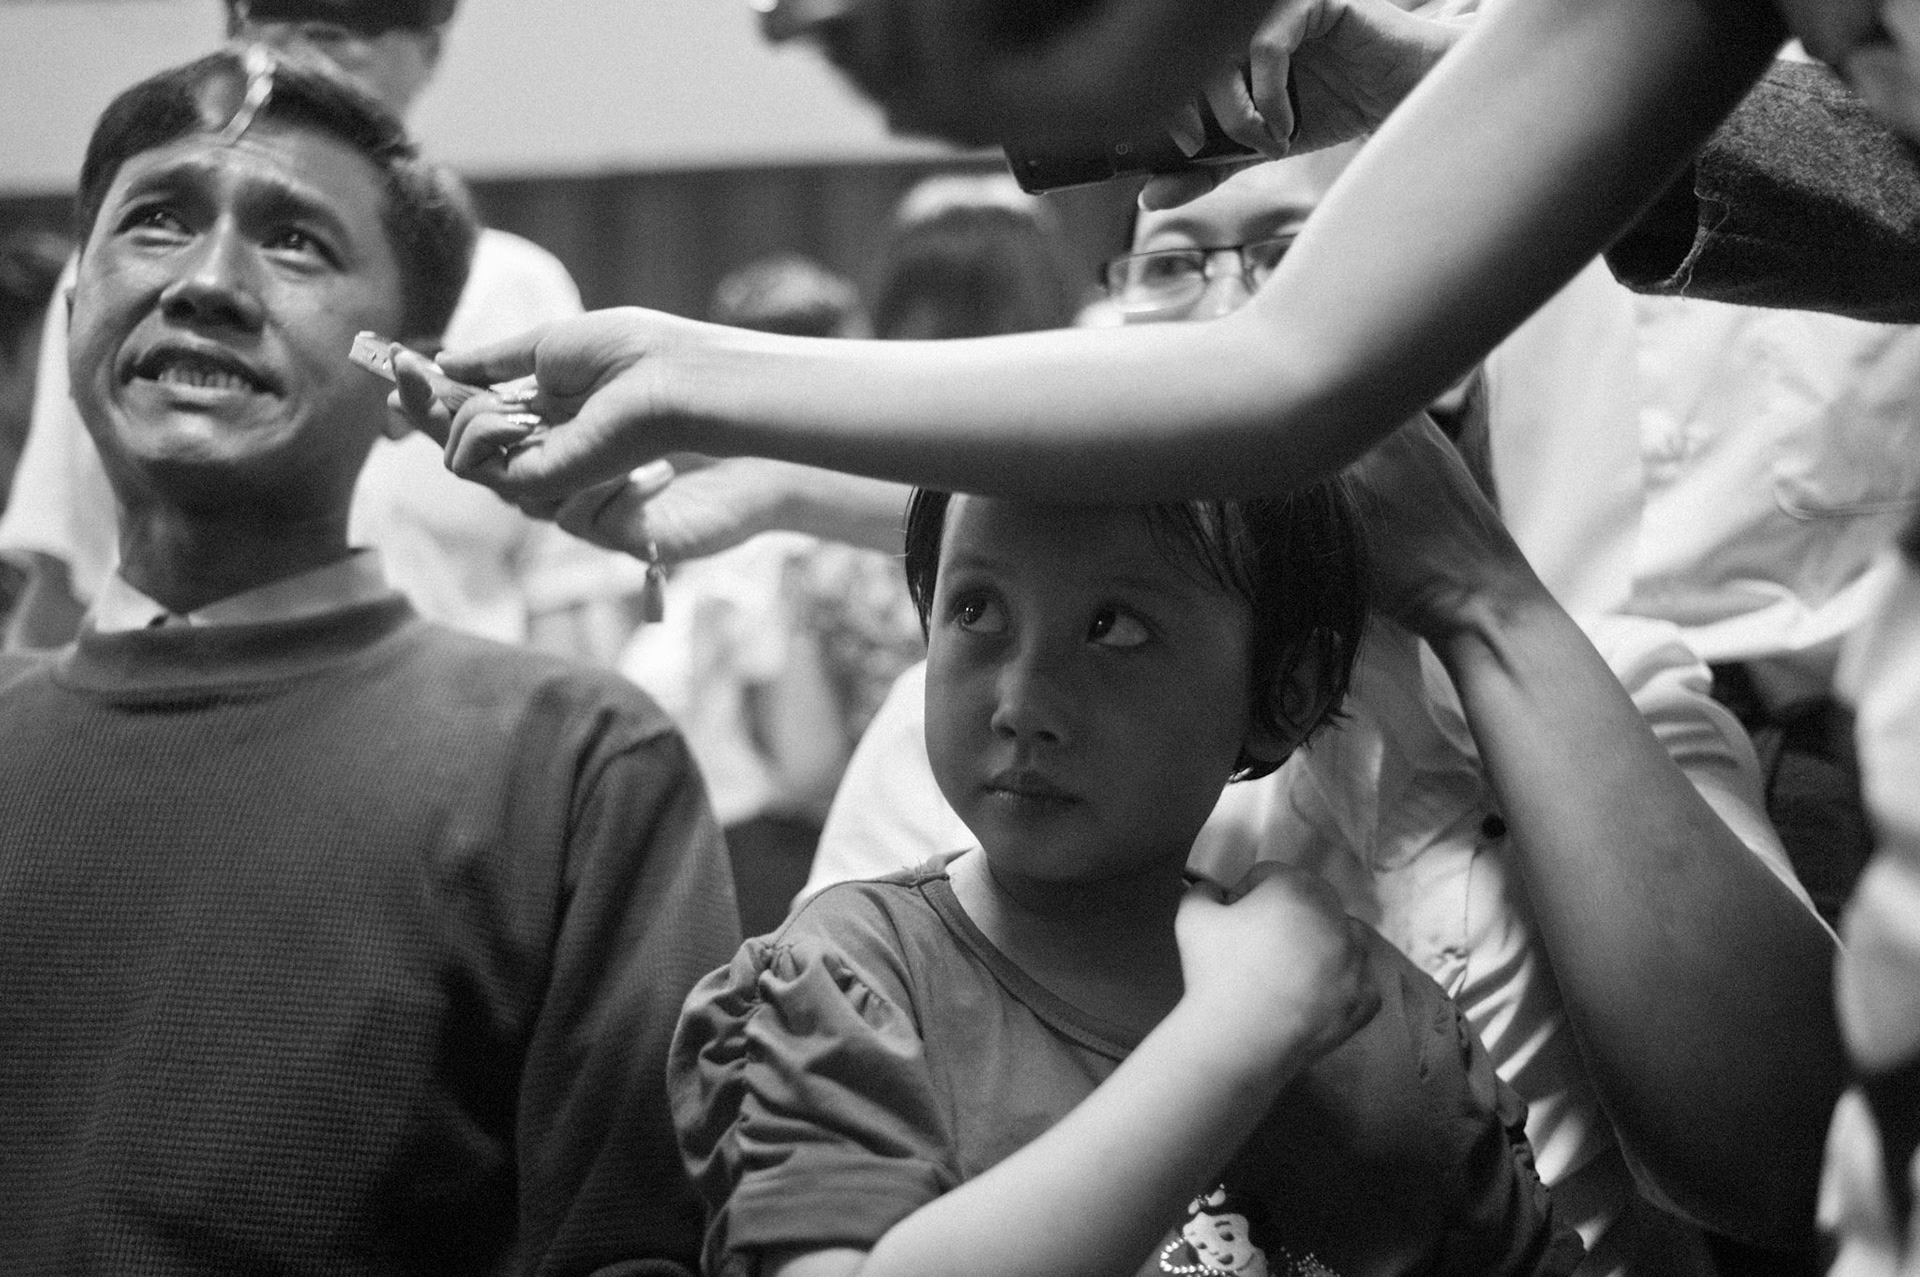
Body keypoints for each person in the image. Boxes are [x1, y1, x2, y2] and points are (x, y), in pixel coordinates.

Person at [804, 153, 1846, 1267]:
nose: (1229, 333)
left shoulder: (1598, 682)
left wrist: (1475, 593)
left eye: (1296, 262)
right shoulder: (971, 719)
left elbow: (1779, 1163)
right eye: (1172, 267)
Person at [0, 47, 738, 1274]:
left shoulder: (570, 766)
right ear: (75, 314)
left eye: (295, 242)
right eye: (157, 222)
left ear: (408, 371)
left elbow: (636, 1240)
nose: (207, 282)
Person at [669, 421, 1587, 1277]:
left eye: (1115, 626)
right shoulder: (853, 982)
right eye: (976, 609)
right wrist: (1237, 1034)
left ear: (1288, 687)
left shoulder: (1383, 1029)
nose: (1023, 702)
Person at [0, 0, 648, 656]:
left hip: (442, 702)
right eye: (260, 27)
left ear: (428, 53)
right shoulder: (124, 287)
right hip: (148, 693)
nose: (208, 284)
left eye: (333, 34)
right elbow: (64, 570)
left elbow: (570, 596)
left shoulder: (518, 291)